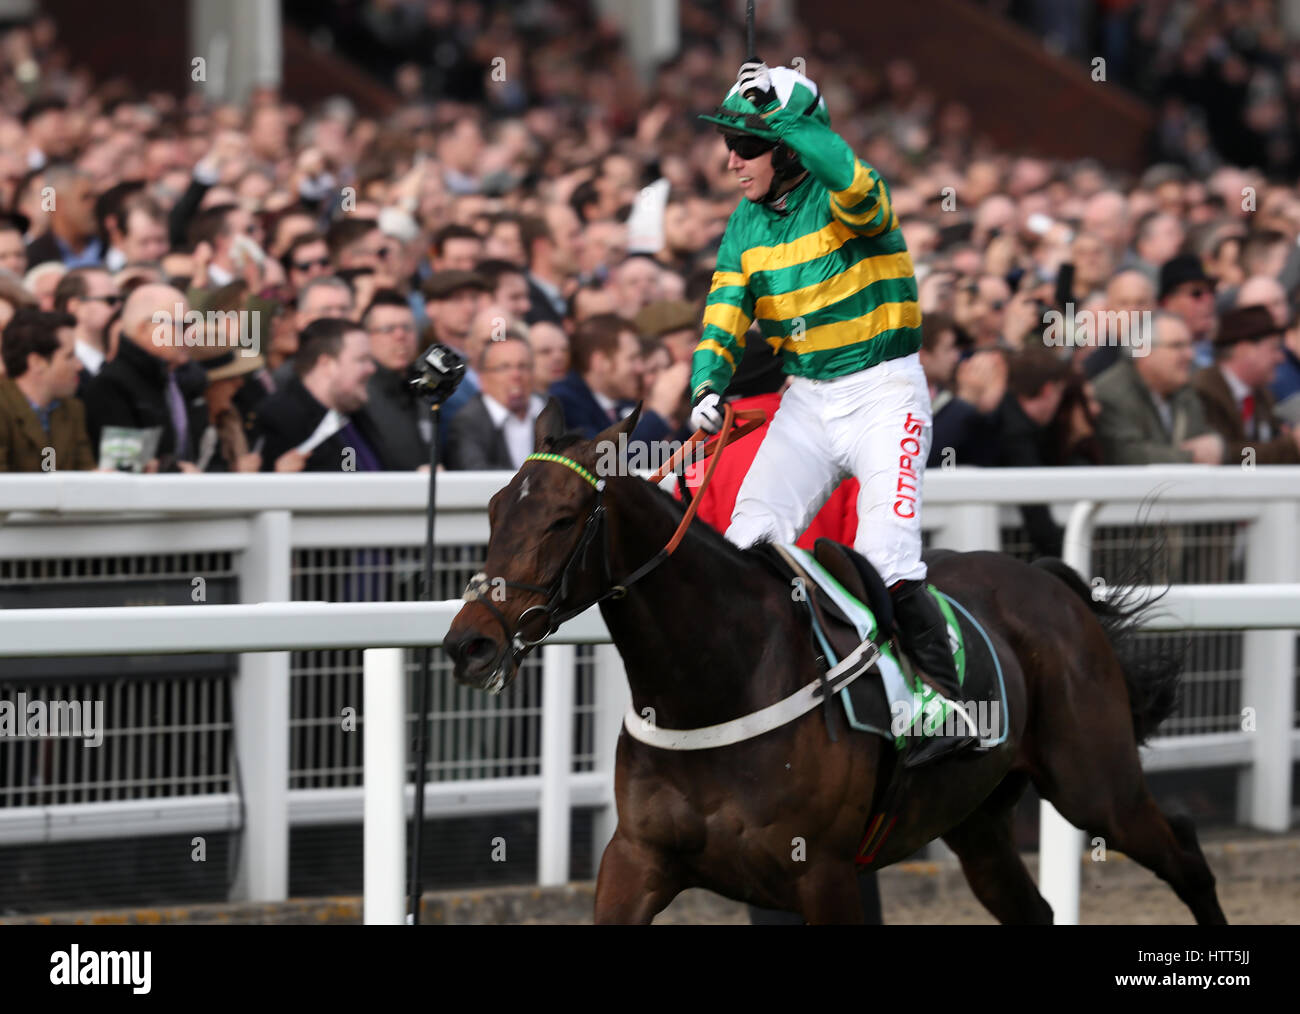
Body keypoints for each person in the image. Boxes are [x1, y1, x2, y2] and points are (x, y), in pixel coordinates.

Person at [689, 61, 974, 763]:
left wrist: (791, 119)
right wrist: (706, 382)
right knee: (746, 542)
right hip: (807, 401)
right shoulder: (744, 224)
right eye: (729, 143)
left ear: (790, 146)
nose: (732, 161)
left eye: (747, 145)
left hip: (885, 393)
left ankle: (942, 701)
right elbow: (726, 309)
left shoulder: (852, 192)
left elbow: (850, 179)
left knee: (887, 557)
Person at [81, 284, 207, 470]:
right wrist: (177, 471)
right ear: (146, 329)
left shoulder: (184, 380)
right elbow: (124, 465)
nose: (191, 335)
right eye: (182, 326)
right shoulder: (110, 387)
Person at [253, 317, 383, 473]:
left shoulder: (354, 412)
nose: (372, 369)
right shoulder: (279, 420)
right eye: (362, 360)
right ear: (326, 364)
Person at [1093, 312, 1222, 465]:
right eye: (1177, 346)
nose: (1190, 354)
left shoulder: (1183, 390)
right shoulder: (1112, 392)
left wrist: (1216, 446)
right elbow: (1128, 456)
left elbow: (1204, 438)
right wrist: (1190, 456)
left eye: (1190, 345)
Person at [1191, 304, 1300, 464]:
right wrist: (1290, 446)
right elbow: (1224, 456)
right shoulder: (1204, 391)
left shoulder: (1263, 396)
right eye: (1274, 348)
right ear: (1244, 350)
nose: (1280, 358)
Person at [0, 308, 94, 471]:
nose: (79, 366)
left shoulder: (72, 409)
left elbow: (85, 474)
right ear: (37, 362)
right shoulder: (3, 409)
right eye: (69, 356)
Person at [446, 334, 547, 470]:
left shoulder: (548, 409)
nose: (516, 375)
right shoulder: (468, 422)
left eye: (523, 366)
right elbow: (477, 474)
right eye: (504, 367)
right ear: (482, 378)